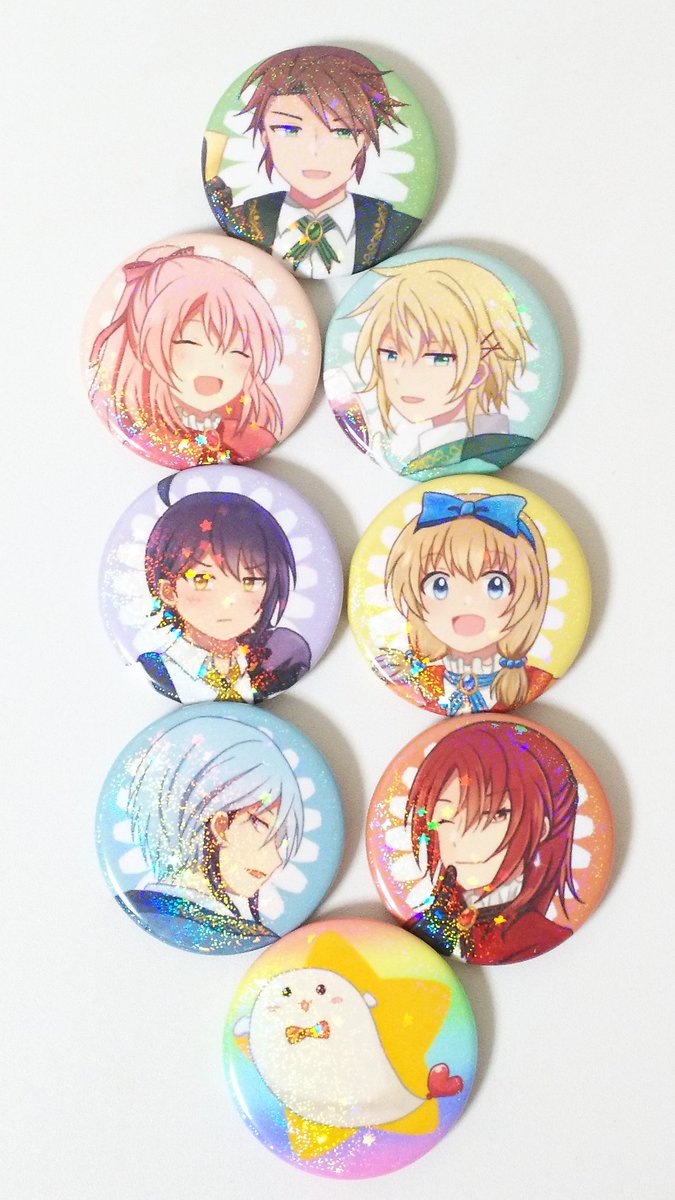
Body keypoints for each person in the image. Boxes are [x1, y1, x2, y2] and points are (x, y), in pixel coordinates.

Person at [203, 45, 420, 276]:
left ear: (365, 140)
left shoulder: (392, 227)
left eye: (343, 131)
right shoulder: (242, 220)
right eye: (289, 129)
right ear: (266, 138)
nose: (314, 151)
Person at [122, 713, 305, 952]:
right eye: (261, 824)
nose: (277, 859)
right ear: (220, 825)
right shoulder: (234, 935)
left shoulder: (146, 905)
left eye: (282, 839)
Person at [89, 244, 283, 464]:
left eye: (238, 352)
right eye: (188, 342)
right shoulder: (153, 440)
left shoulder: (253, 437)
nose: (213, 368)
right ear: (144, 345)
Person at [404, 721, 579, 964]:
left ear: (541, 826)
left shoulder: (537, 938)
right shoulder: (426, 924)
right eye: (444, 818)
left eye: (495, 814)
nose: (462, 837)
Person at [348, 258, 533, 475]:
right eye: (391, 354)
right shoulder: (409, 449)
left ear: (479, 371)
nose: (404, 375)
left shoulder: (490, 449)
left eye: (437, 358)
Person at [379, 490, 552, 714]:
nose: (467, 602)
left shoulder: (535, 680)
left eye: (495, 585)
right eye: (439, 585)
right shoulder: (415, 683)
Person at [138, 484, 311, 703]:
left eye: (251, 582)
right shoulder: (161, 670)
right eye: (202, 580)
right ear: (168, 591)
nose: (229, 601)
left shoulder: (275, 663)